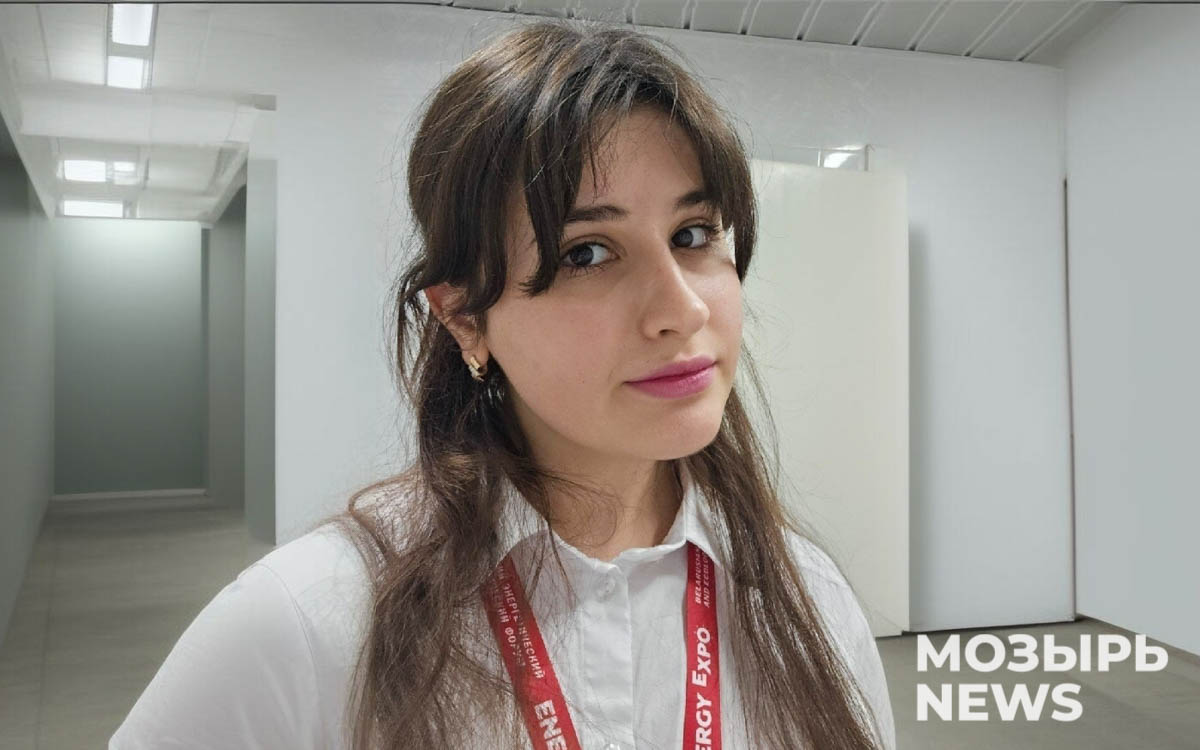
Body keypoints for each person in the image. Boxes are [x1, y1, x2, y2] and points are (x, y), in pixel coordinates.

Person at [109, 18, 896, 750]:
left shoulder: (808, 605)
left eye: (693, 235)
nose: (682, 308)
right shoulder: (310, 624)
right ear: (465, 319)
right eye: (588, 253)